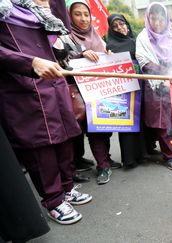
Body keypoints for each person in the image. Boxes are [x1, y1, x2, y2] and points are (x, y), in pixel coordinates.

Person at [0, 0, 92, 225]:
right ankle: (53, 200)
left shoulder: (37, 11)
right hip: (22, 84)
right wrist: (29, 62)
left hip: (53, 81)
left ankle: (67, 188)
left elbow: (60, 35)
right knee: (41, 145)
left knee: (64, 138)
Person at [67, 0, 122, 184]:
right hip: (79, 94)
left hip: (99, 91)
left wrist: (109, 56)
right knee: (86, 130)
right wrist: (80, 54)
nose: (83, 18)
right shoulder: (65, 36)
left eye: (86, 14)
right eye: (77, 14)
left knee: (102, 128)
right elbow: (59, 59)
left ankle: (104, 162)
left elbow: (103, 58)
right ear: (69, 16)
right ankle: (93, 165)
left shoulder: (97, 36)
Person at [136, 2, 172, 170]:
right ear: (148, 19)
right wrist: (166, 74)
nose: (157, 23)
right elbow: (144, 62)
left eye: (161, 19)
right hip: (155, 85)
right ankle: (169, 155)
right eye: (153, 19)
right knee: (161, 122)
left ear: (166, 19)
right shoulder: (143, 38)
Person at [105, 14, 151, 169]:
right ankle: (129, 158)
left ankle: (143, 154)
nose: (120, 28)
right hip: (123, 89)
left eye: (122, 24)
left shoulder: (136, 41)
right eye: (115, 26)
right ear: (111, 29)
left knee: (140, 119)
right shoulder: (109, 45)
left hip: (140, 86)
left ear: (127, 24)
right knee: (125, 122)